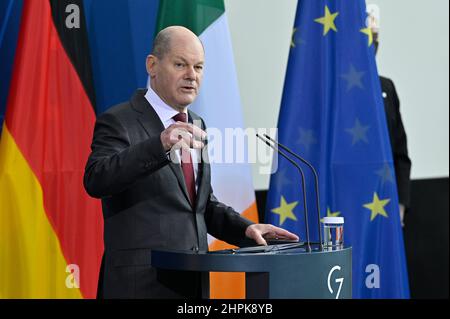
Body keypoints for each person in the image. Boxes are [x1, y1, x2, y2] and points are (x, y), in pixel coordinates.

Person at [83, 26, 298, 299]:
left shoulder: (196, 123)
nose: (191, 75)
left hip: (192, 285)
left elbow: (200, 206)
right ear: (152, 65)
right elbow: (96, 179)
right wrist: (159, 144)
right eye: (180, 64)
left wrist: (245, 228)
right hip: (139, 286)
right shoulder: (120, 120)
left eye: (198, 67)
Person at [370, 16, 412, 227]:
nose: (373, 44)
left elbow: (400, 152)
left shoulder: (386, 87)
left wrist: (401, 205)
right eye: (369, 37)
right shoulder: (334, 92)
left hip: (384, 202)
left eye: (376, 38)